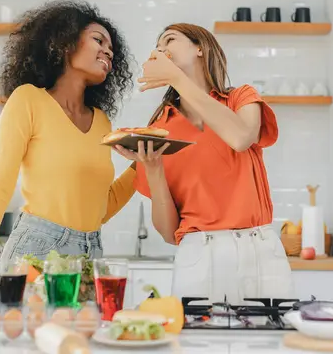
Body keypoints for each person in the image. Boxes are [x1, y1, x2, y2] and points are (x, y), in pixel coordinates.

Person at [0, 0, 136, 309]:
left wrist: (143, 167)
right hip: (37, 249)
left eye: (111, 48)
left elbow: (99, 206)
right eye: (98, 39)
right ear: (65, 42)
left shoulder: (102, 122)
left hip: (90, 254)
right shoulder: (28, 100)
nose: (108, 51)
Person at [116, 23, 293, 305]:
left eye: (170, 41)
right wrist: (153, 169)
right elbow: (167, 231)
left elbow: (240, 138)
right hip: (198, 255)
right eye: (158, 47)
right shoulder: (160, 129)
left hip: (258, 252)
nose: (161, 50)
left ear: (200, 48)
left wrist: (176, 78)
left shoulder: (241, 98)